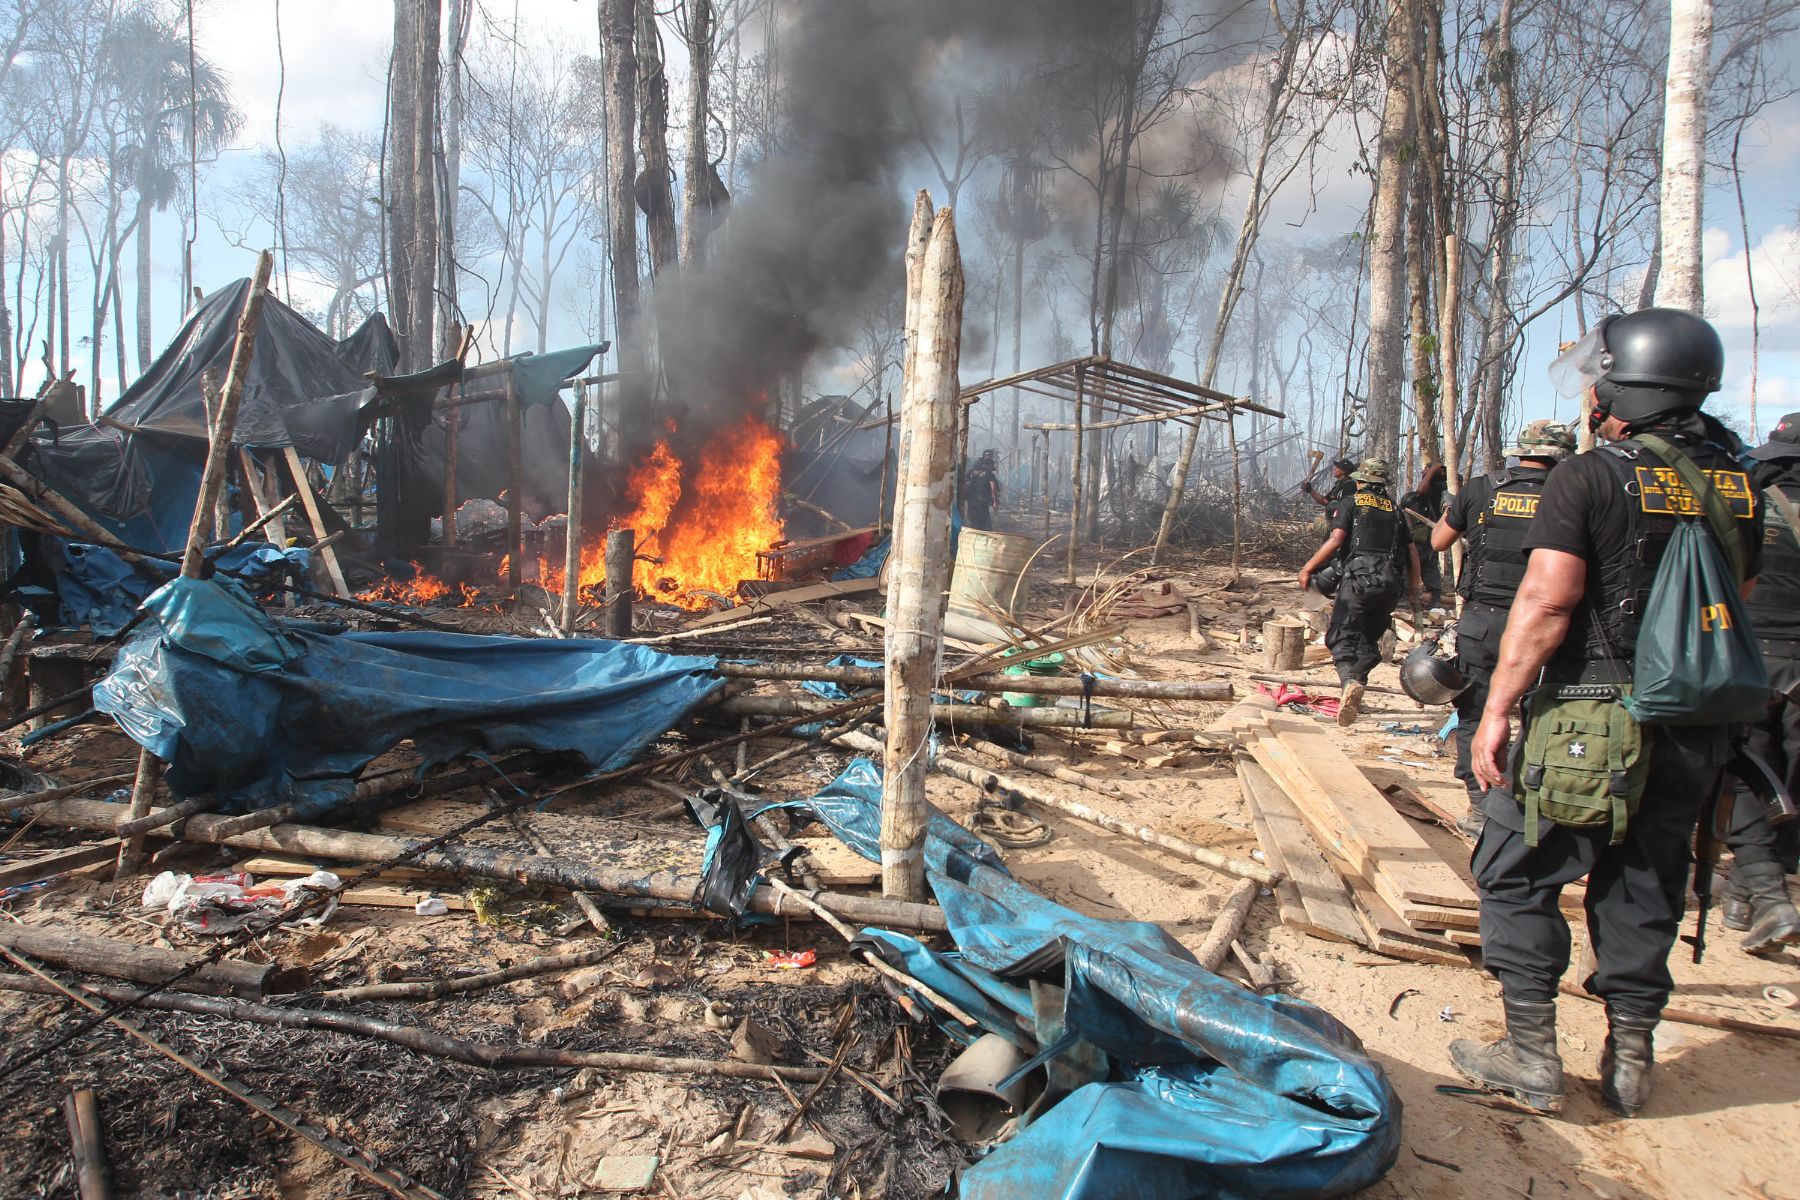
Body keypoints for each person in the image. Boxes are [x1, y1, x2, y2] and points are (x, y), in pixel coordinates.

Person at [1457, 307, 1761, 1118]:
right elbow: (1741, 603)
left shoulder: (1589, 476)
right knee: (1648, 881)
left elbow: (1549, 601)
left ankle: (1529, 1054)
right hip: (1698, 725)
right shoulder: (1737, 484)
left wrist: (1496, 710)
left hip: (1588, 723)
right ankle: (1631, 1060)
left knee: (1514, 869)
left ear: (1621, 387)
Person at [1431, 420, 1577, 838]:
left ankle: (1480, 809)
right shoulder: (1572, 494)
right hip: (1544, 625)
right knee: (1539, 714)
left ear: (1521, 450)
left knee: (1475, 712)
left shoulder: (1481, 488)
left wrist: (1451, 510)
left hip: (1483, 621)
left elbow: (1441, 541)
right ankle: (1527, 806)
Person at [1723, 415, 1800, 953]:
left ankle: (1750, 892)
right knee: (1791, 784)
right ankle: (1765, 891)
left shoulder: (1742, 494)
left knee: (1745, 768)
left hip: (1747, 654)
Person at [1299, 458, 1421, 727]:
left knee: (1341, 639)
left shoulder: (1351, 502)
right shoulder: (1396, 511)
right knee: (1369, 639)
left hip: (1357, 581)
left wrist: (1308, 567)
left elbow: (1336, 539)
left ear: (1360, 481)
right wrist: (1414, 590)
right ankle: (1357, 692)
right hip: (1390, 584)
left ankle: (1349, 684)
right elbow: (1412, 553)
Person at [1401, 463, 1450, 606]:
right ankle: (1434, 598)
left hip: (1426, 532)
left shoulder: (1438, 486)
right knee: (1428, 563)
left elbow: (1420, 491)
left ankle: (1408, 597)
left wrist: (1435, 468)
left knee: (1411, 561)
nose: (1423, 471)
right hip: (1425, 532)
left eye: (1426, 469)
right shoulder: (1435, 486)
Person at [1302, 457, 1356, 524]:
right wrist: (1310, 490)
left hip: (1344, 523)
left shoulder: (1350, 486)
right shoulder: (1338, 486)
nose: (1334, 469)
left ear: (1343, 471)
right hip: (1337, 521)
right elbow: (1325, 501)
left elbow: (1348, 508)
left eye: (1338, 467)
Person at [963, 449, 1001, 530]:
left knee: (974, 523)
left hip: (971, 502)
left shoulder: (971, 473)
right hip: (982, 502)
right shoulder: (989, 474)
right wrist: (995, 502)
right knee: (985, 526)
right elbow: (993, 488)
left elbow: (965, 483)